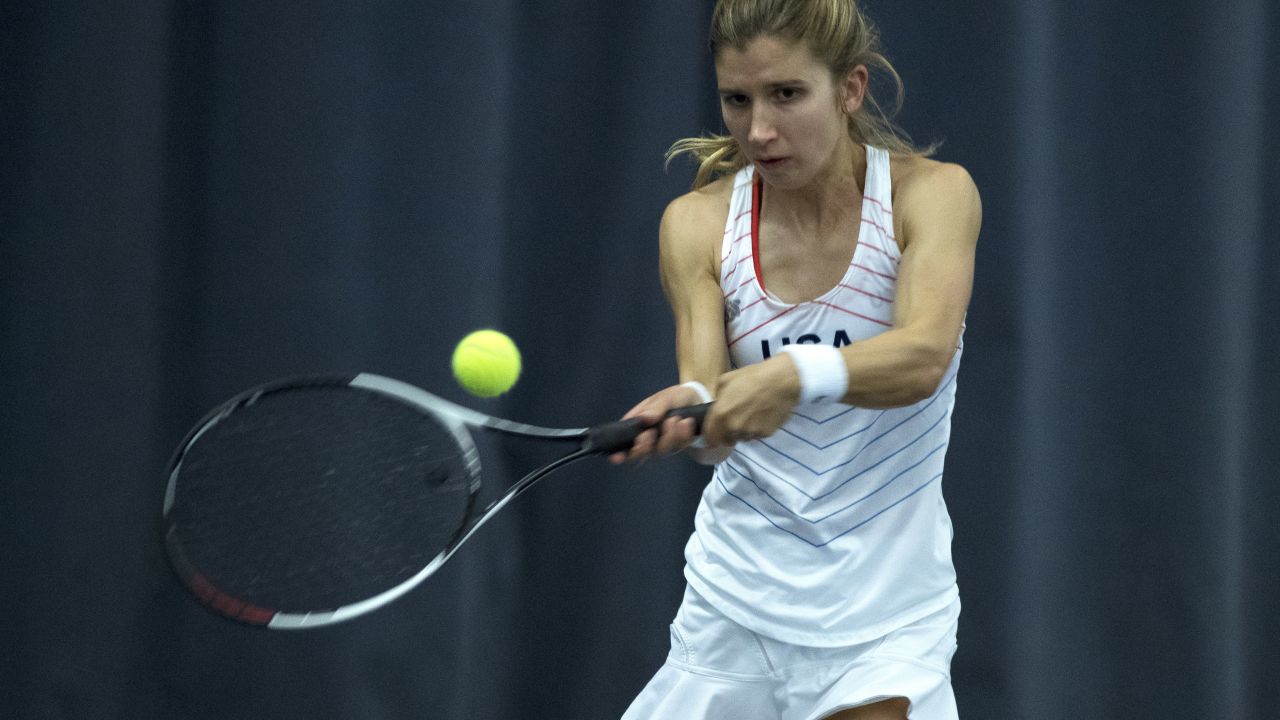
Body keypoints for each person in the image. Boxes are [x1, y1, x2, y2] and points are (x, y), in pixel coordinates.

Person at [611, 1, 981, 718]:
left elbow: (924, 356)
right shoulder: (695, 224)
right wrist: (689, 416)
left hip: (885, 614)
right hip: (736, 603)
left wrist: (792, 373)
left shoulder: (931, 195)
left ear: (851, 89)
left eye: (787, 94)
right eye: (737, 100)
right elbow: (710, 406)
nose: (759, 130)